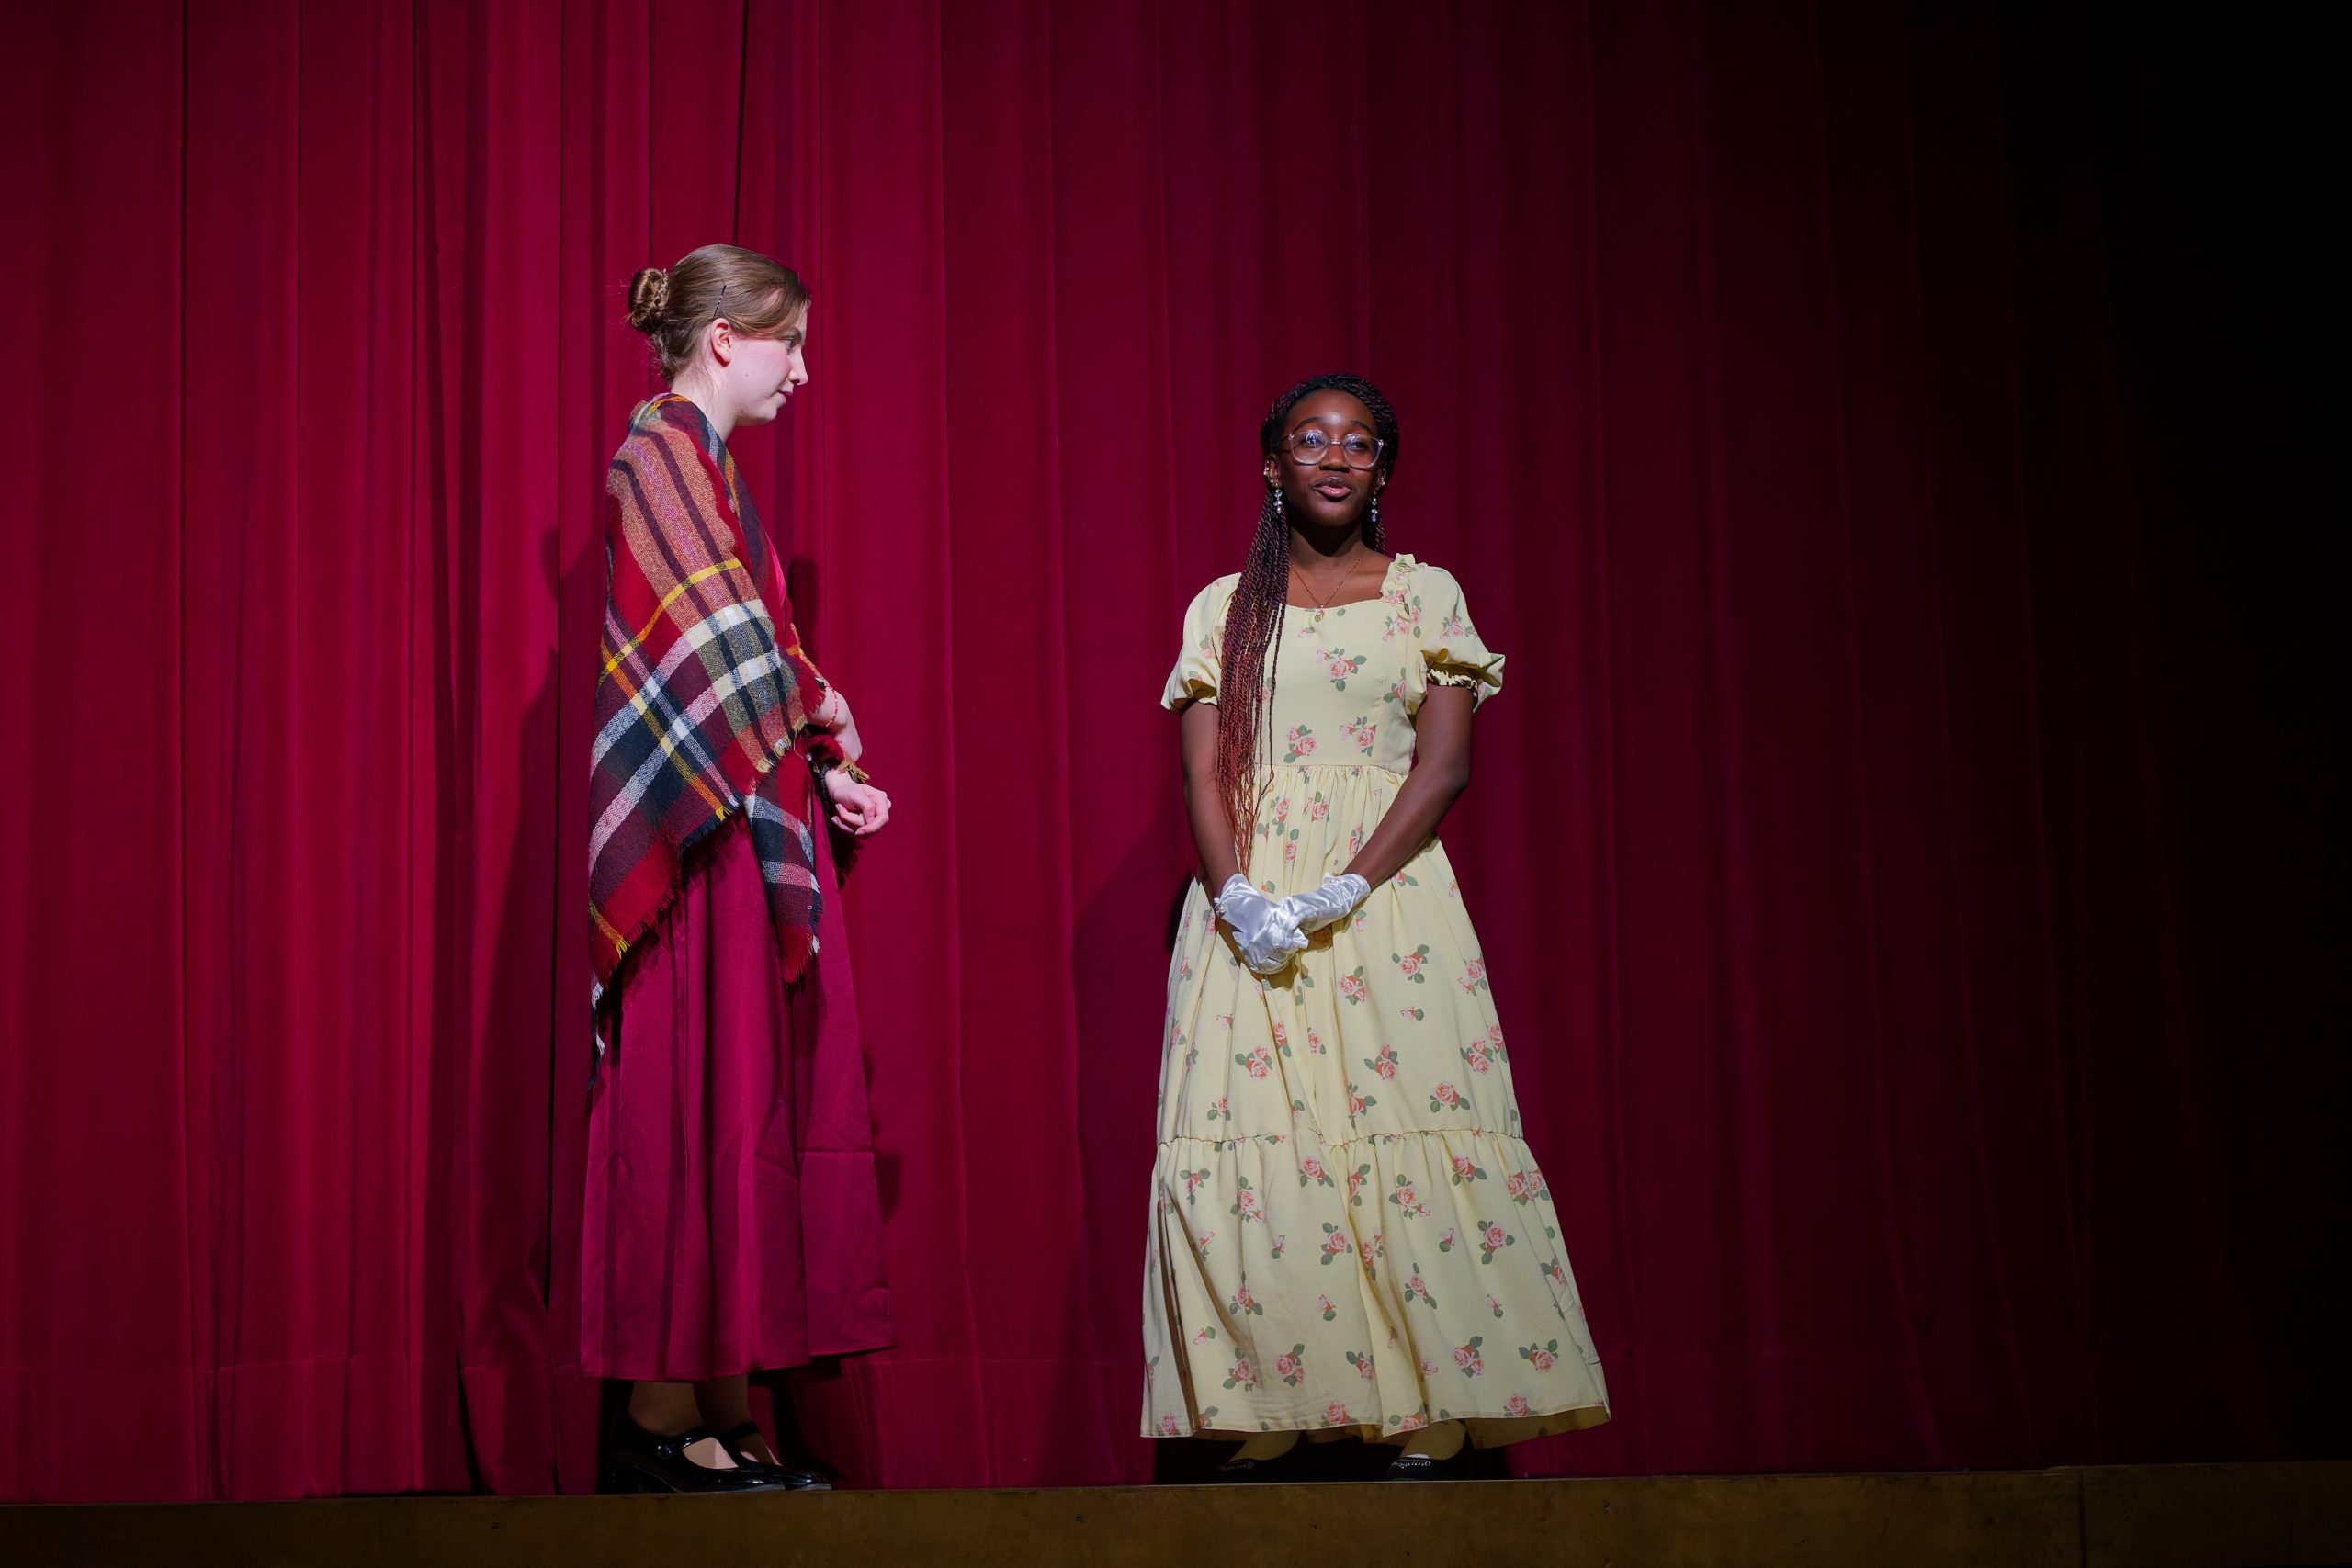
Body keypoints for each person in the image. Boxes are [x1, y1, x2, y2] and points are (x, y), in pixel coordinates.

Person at [1142, 374, 1611, 1478]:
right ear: (1274, 464)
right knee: (1262, 1136)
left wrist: (1343, 889)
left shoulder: (1422, 595)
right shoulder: (1224, 608)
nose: (1335, 456)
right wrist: (1237, 897)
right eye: (1311, 439)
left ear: (1382, 470)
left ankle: (1430, 1406)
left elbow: (1443, 767)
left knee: (1404, 1127)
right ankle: (1282, 1397)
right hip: (1250, 910)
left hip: (1385, 902)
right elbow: (1203, 774)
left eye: (1359, 443)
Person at [584, 243, 894, 1493]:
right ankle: (659, 1409)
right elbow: (719, 644)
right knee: (686, 1094)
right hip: (695, 834)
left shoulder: (706, 463)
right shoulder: (657, 451)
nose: (803, 371)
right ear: (726, 339)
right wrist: (821, 711)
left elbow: (751, 636)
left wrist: (821, 755)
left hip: (738, 811)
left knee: (738, 1100)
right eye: (791, 342)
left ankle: (721, 1395)